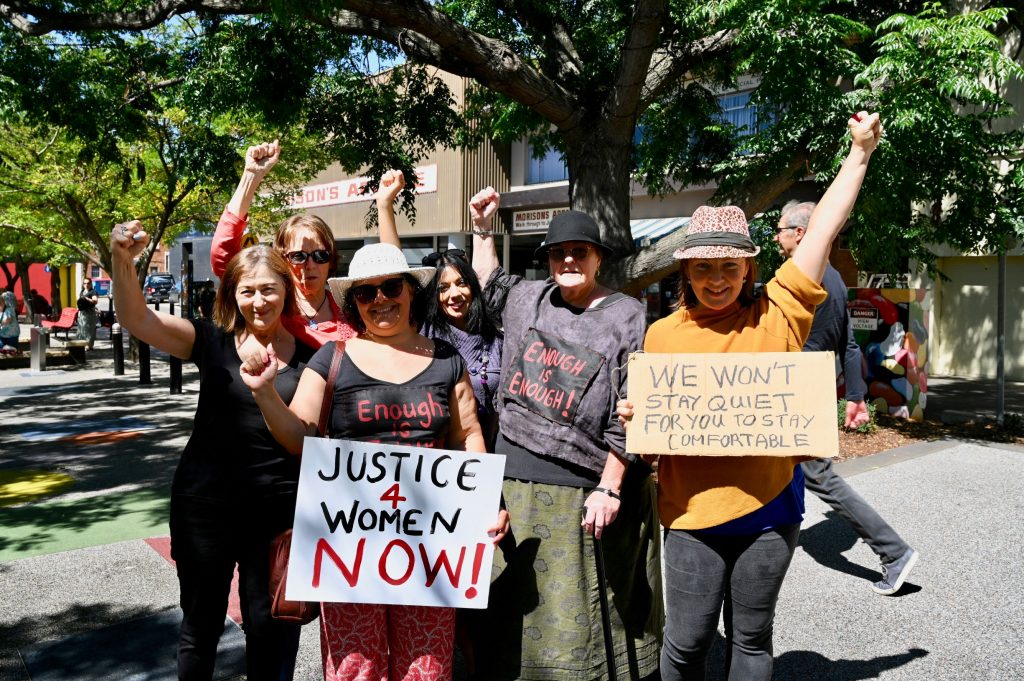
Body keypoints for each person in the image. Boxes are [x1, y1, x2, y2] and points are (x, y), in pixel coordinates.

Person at [618, 111, 882, 681]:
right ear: (686, 271)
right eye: (704, 268)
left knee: (752, 640)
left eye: (729, 267)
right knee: (686, 645)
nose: (717, 279)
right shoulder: (660, 335)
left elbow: (822, 231)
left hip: (770, 511)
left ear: (749, 268)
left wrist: (859, 153)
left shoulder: (780, 312)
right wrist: (640, 418)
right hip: (690, 514)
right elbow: (651, 441)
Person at [239, 242, 509, 681]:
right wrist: (265, 392)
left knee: (428, 667)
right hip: (351, 549)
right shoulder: (333, 358)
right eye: (367, 293)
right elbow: (300, 438)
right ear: (354, 303)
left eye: (390, 287)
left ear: (409, 291)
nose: (380, 299)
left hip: (430, 547)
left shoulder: (446, 360)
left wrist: (485, 501)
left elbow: (468, 436)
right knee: (354, 668)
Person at [468, 192, 663, 681]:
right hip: (513, 479)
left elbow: (633, 411)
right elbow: (488, 281)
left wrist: (611, 484)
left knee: (579, 620)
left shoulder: (628, 317)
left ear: (599, 257)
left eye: (580, 251)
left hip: (585, 489)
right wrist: (482, 229)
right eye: (558, 253)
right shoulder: (526, 299)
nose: (569, 260)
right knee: (517, 606)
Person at [111, 220, 315, 681]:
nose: (258, 301)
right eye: (247, 291)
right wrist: (122, 260)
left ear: (287, 290)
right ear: (232, 295)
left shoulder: (309, 356)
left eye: (268, 289)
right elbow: (136, 318)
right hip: (204, 506)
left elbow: (304, 435)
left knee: (266, 628)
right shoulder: (211, 341)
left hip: (276, 513)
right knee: (200, 627)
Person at [775, 200, 919, 596]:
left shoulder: (800, 275)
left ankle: (894, 551)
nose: (776, 236)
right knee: (780, 468)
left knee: (817, 474)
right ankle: (769, 539)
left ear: (801, 234)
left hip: (796, 389)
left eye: (781, 229)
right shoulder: (835, 278)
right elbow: (851, 345)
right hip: (811, 384)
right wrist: (855, 396)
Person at [211, 139, 403, 349]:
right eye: (298, 256)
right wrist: (251, 177)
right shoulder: (273, 307)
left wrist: (384, 205)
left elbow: (393, 272)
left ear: (331, 261)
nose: (309, 265)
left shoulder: (351, 307)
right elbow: (223, 257)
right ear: (282, 261)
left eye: (320, 256)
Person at [77, 277, 100, 350]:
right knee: (82, 329)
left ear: (91, 284)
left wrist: (86, 298)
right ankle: (82, 344)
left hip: (89, 313)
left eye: (88, 283)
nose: (86, 285)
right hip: (82, 313)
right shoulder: (82, 291)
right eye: (85, 283)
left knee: (89, 330)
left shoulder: (93, 292)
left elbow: (95, 301)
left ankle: (89, 345)